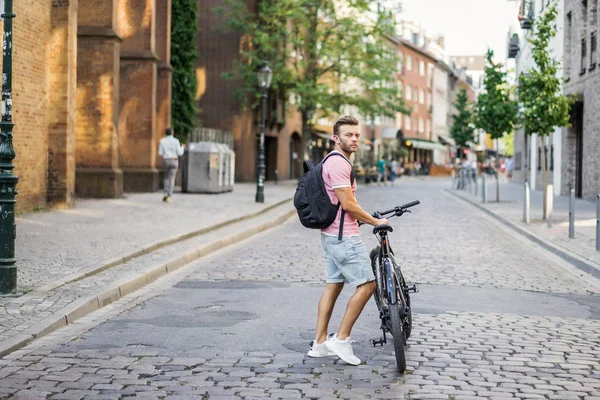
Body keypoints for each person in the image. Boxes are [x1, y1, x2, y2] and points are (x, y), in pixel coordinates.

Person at [307, 115, 389, 366]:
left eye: (356, 135)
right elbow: (348, 203)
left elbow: (342, 203)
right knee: (367, 285)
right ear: (336, 138)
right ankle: (341, 339)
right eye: (348, 135)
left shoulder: (330, 161)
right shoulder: (340, 164)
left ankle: (320, 344)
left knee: (333, 285)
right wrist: (376, 222)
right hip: (343, 238)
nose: (354, 139)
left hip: (331, 235)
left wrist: (362, 217)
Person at [158, 128, 185, 203]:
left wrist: (166, 153)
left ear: (165, 133)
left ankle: (165, 194)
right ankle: (170, 196)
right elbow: (180, 153)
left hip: (166, 160)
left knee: (166, 177)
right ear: (172, 133)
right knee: (172, 178)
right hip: (174, 160)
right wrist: (182, 147)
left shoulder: (162, 141)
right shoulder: (176, 141)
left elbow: (160, 152)